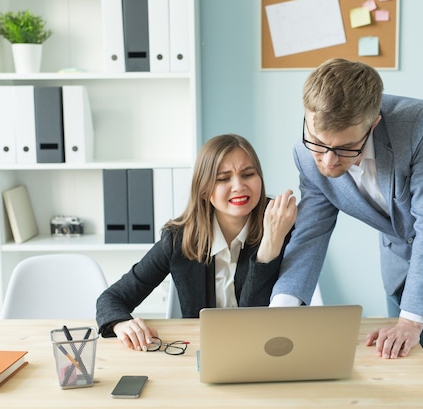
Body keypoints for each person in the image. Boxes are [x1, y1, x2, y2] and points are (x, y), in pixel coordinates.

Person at [270, 58, 423, 409]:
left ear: (373, 125)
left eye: (344, 148)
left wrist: (409, 320)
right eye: (318, 142)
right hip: (403, 264)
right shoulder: (306, 153)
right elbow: (310, 232)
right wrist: (280, 312)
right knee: (413, 380)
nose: (327, 161)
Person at [97, 134, 297, 352]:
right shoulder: (178, 239)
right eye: (223, 178)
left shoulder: (282, 226)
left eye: (248, 174)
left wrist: (268, 250)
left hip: (266, 350)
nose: (239, 186)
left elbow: (256, 320)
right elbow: (112, 298)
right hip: (201, 351)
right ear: (204, 189)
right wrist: (121, 323)